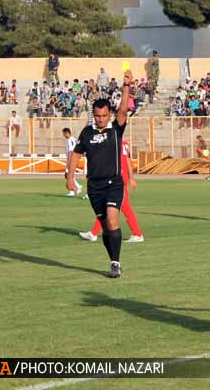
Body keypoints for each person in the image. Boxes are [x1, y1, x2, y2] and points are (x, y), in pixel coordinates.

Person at [66, 70, 133, 279]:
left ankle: (116, 263)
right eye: (98, 116)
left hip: (114, 183)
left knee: (113, 220)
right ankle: (112, 257)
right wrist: (70, 178)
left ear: (109, 115)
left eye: (104, 116)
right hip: (94, 186)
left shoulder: (115, 129)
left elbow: (123, 110)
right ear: (93, 115)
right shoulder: (87, 132)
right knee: (105, 226)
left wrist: (126, 87)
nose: (101, 119)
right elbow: (76, 155)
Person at [79, 140, 144, 243]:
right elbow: (127, 161)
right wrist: (131, 178)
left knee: (115, 207)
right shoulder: (123, 143)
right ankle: (94, 233)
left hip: (117, 180)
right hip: (118, 179)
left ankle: (137, 234)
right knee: (116, 207)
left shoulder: (112, 143)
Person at [63, 128, 83, 197]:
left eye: (64, 133)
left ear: (67, 133)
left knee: (68, 175)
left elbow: (70, 152)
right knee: (69, 175)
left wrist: (68, 163)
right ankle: (76, 187)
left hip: (72, 159)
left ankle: (74, 189)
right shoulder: (74, 139)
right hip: (75, 158)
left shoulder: (69, 140)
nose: (63, 135)